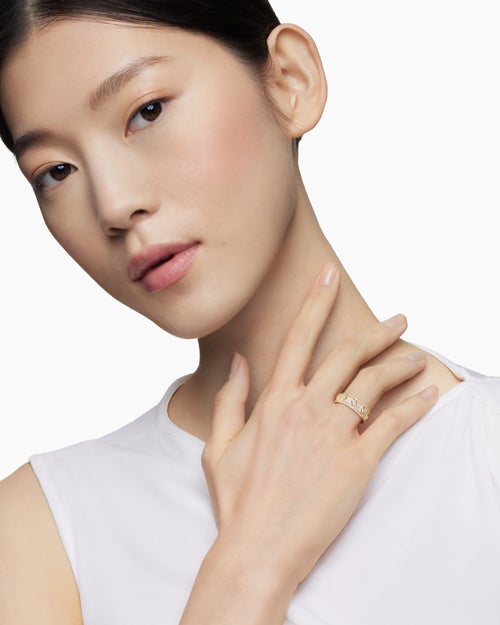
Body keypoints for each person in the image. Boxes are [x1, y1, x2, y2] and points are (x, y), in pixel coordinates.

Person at [0, 2, 498, 624]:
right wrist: (250, 566)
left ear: (291, 80)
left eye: (146, 111)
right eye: (55, 172)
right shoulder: (40, 530)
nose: (114, 204)